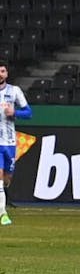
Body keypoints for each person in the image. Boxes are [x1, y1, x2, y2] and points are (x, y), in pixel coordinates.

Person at [0, 60, 32, 226]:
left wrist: (15, 112)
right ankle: (2, 213)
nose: (0, 74)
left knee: (7, 177)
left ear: (6, 74)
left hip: (10, 142)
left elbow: (29, 113)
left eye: (2, 71)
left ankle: (3, 194)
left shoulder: (14, 91)